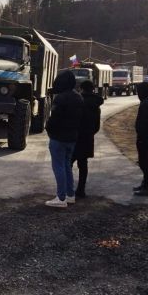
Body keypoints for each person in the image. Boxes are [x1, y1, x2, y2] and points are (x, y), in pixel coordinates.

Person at [44, 69, 84, 207]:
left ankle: (61, 198)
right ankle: (70, 195)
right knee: (67, 166)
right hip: (72, 137)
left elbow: (54, 119)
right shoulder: (79, 97)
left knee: (58, 166)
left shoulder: (60, 98)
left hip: (58, 137)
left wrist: (48, 128)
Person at [71, 80, 104, 198]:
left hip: (74, 137)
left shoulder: (77, 101)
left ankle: (68, 188)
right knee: (83, 165)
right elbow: (97, 126)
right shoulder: (96, 105)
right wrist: (89, 133)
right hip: (88, 137)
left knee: (68, 163)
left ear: (81, 88)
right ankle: (81, 190)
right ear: (93, 89)